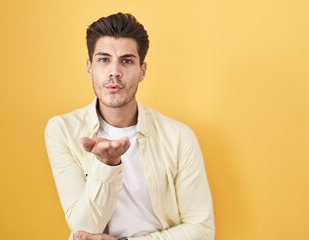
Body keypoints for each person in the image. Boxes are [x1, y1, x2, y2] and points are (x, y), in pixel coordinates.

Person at [45, 12, 214, 240]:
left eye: (126, 60)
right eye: (104, 59)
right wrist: (107, 165)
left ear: (142, 70)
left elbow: (202, 230)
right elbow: (83, 228)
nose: (114, 71)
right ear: (89, 67)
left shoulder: (179, 136)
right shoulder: (63, 130)